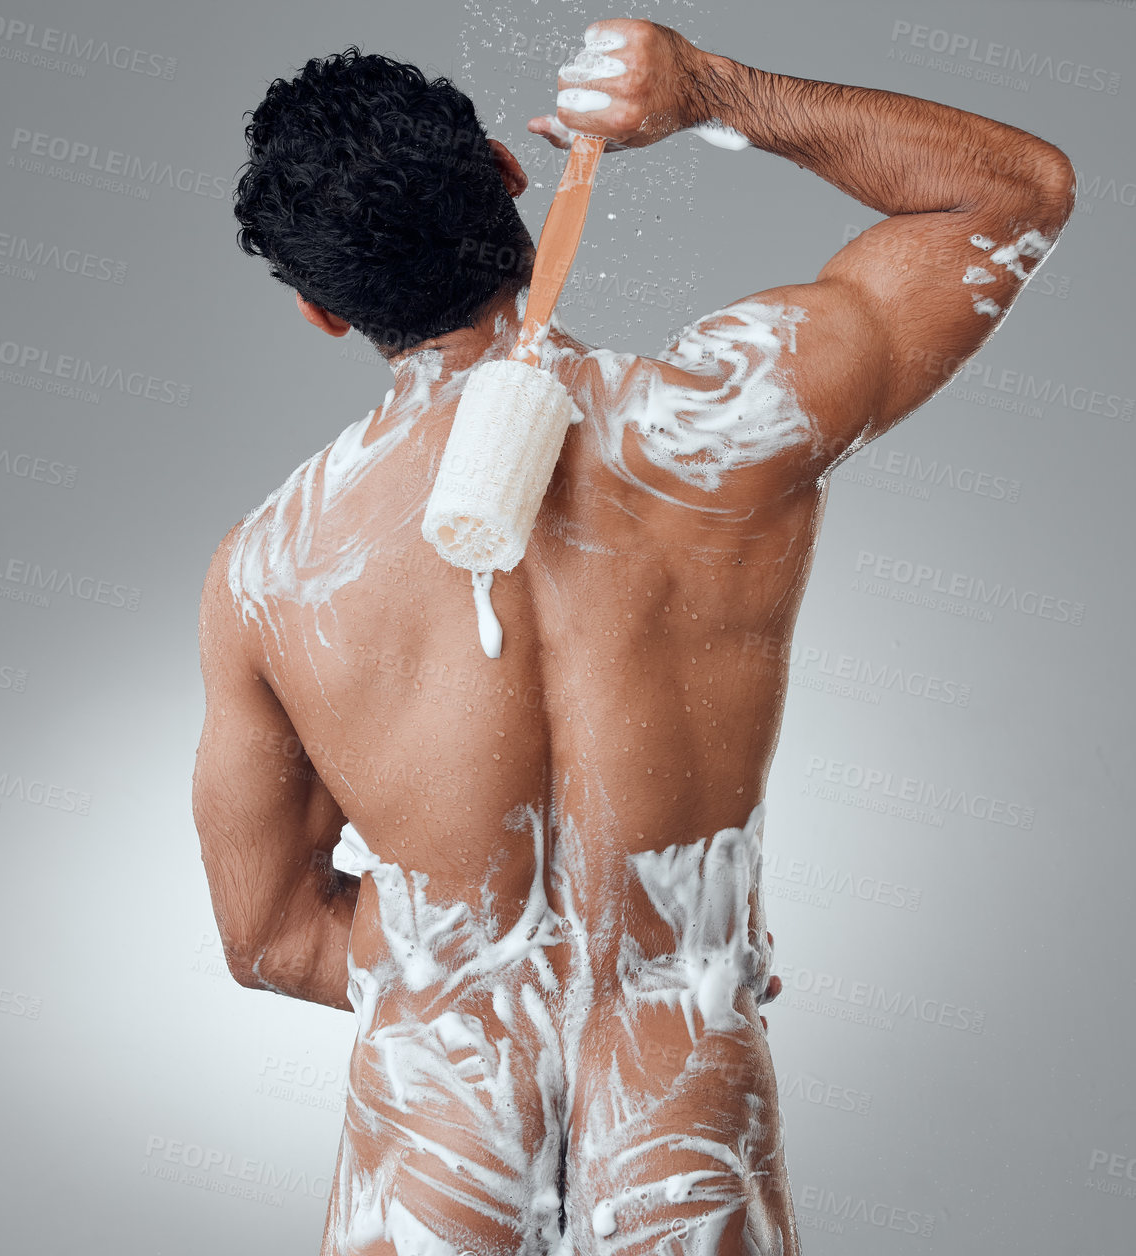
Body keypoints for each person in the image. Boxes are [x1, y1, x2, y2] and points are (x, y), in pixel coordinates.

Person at [193, 18, 1074, 1255]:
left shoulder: (272, 575)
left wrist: (461, 961)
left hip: (432, 1153)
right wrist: (718, 89)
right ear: (509, 173)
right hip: (684, 1127)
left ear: (321, 310)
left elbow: (271, 935)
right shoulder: (732, 424)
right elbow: (1014, 192)